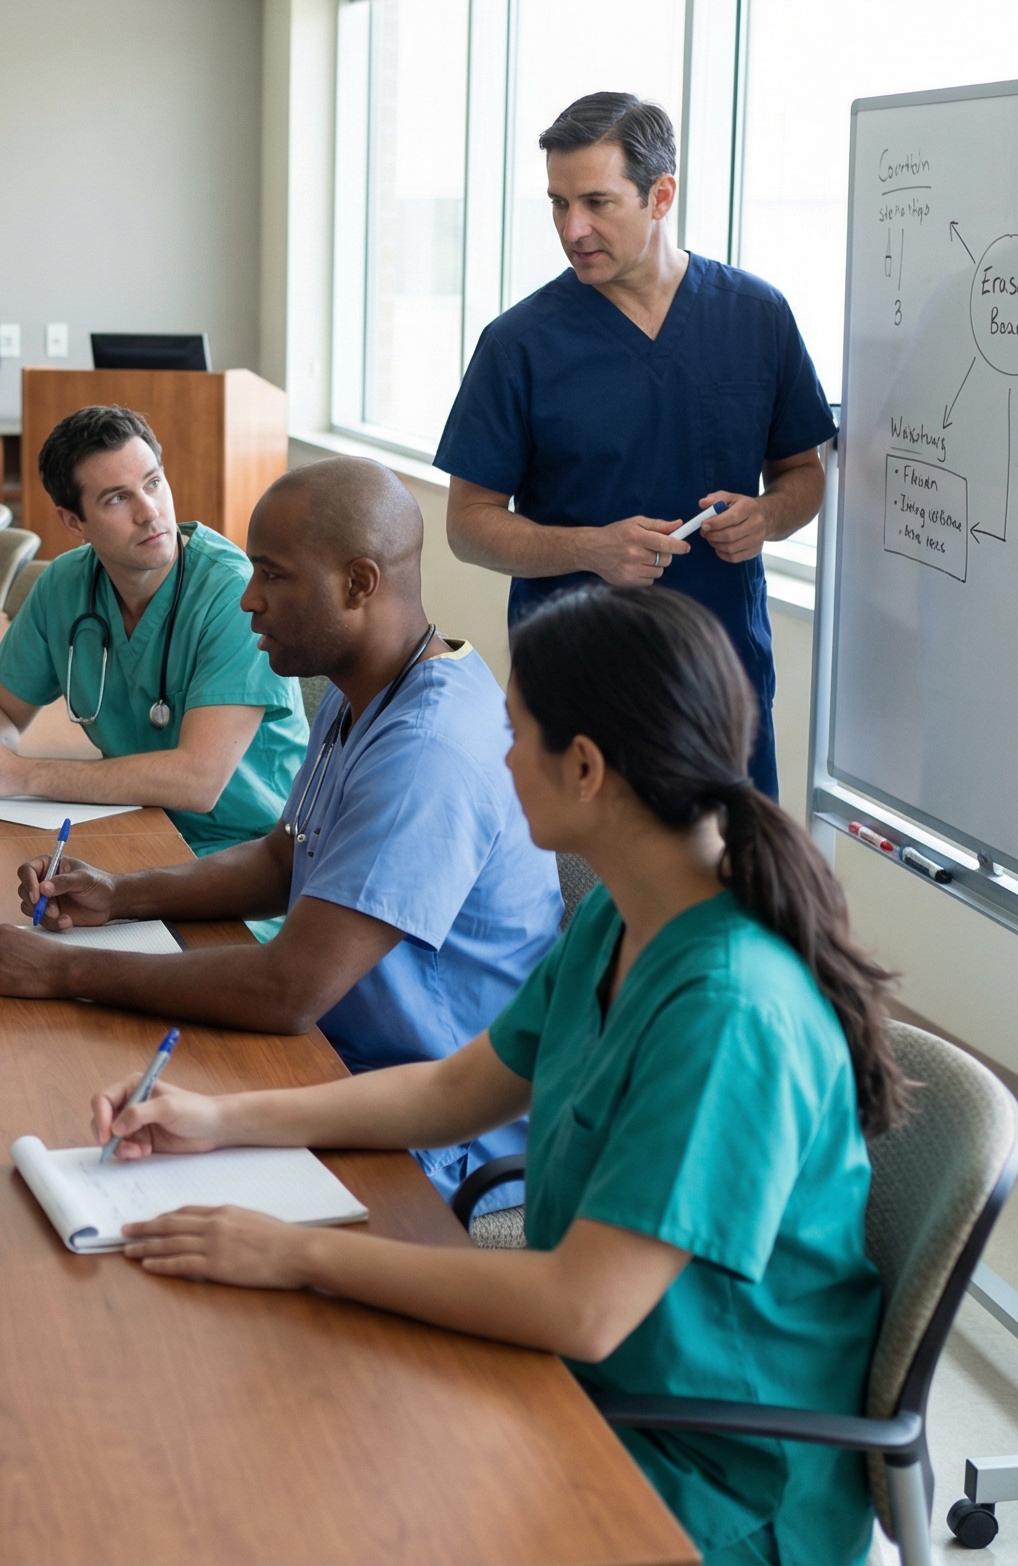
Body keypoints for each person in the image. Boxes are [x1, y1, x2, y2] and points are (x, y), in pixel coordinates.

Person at [92, 585, 902, 1566]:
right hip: (587, 1391)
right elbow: (452, 1092)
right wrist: (219, 1119)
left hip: (713, 1483)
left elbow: (582, 1309)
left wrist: (297, 1253)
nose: (501, 756)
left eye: (515, 734)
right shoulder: (622, 917)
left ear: (589, 767)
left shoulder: (730, 1009)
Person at [0, 457, 559, 1201]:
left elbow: (288, 989)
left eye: (272, 576)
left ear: (359, 584)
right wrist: (120, 895)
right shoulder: (366, 687)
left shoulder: (428, 751)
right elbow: (284, 858)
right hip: (335, 1064)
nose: (248, 599)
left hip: (432, 1134)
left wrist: (63, 972)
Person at [435, 92, 835, 796]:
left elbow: (803, 472)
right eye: (558, 204)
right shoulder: (519, 345)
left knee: (731, 891)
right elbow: (468, 527)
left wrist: (768, 518)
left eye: (596, 202)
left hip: (719, 687)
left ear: (661, 195)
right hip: (576, 692)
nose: (573, 228)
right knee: (596, 900)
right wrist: (590, 548)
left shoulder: (756, 317)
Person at [0, 405, 307, 863]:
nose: (149, 513)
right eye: (117, 499)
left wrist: (18, 774)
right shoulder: (65, 587)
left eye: (153, 483)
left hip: (251, 857)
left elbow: (197, 780)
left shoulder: (231, 594)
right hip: (129, 828)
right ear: (74, 522)